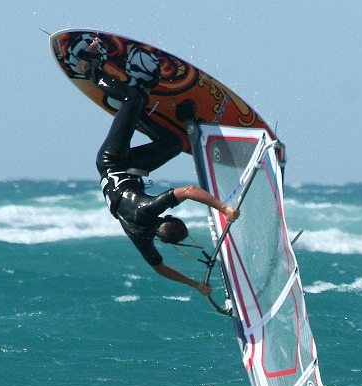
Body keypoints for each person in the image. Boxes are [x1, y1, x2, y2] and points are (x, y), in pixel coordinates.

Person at [75, 38, 239, 296]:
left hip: (112, 161)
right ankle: (136, 112)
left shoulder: (148, 211)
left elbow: (187, 191)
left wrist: (223, 207)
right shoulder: (141, 236)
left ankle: (91, 68)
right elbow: (159, 268)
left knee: (133, 96)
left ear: (170, 217)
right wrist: (195, 285)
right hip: (133, 169)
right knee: (174, 143)